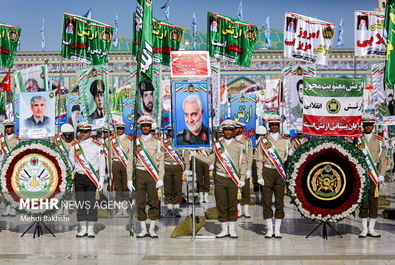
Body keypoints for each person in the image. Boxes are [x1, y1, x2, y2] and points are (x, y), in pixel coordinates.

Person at [196, 120, 248, 238]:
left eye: (230, 129)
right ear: (223, 131)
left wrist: (243, 178)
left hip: (233, 178)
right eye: (226, 129)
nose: (228, 132)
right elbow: (210, 160)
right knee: (221, 203)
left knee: (232, 204)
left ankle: (232, 229)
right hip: (220, 178)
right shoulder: (217, 145)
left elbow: (243, 162)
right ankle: (224, 229)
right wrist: (196, 155)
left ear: (234, 131)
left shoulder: (240, 145)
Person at [127, 115, 164, 238]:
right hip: (139, 173)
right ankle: (143, 229)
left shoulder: (158, 142)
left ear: (150, 127)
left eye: (147, 126)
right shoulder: (135, 141)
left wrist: (160, 178)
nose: (146, 128)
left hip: (152, 174)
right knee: (140, 201)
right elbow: (130, 161)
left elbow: (161, 162)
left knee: (154, 201)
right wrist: (129, 178)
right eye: (143, 126)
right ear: (141, 127)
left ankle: (152, 229)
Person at [69, 122, 106, 238]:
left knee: (91, 203)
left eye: (86, 131)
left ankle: (90, 229)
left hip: (92, 178)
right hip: (79, 177)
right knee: (80, 203)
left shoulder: (97, 146)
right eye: (81, 131)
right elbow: (71, 164)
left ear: (90, 132)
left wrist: (101, 179)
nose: (83, 134)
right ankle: (82, 228)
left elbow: (101, 164)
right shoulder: (74, 147)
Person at [256, 115, 290, 239]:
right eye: (272, 125)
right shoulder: (263, 141)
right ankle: (269, 229)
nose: (274, 127)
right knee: (267, 201)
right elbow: (259, 159)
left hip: (279, 173)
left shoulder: (285, 141)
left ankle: (278, 229)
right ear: (268, 126)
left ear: (279, 126)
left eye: (276, 124)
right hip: (267, 171)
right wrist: (259, 175)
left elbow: (287, 158)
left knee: (280, 202)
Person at [358, 116, 387, 238]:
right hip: (362, 173)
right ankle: (364, 229)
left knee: (374, 200)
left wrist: (382, 174)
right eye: (366, 125)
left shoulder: (379, 140)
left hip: (374, 173)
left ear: (373, 126)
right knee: (363, 200)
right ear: (363, 126)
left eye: (370, 125)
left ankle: (372, 229)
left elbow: (383, 159)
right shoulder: (358, 139)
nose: (368, 127)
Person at [163, 125, 190, 217]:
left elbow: (186, 155)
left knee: (177, 189)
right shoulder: (164, 143)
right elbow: (160, 156)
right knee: (168, 189)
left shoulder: (182, 142)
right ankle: (169, 208)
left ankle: (176, 208)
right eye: (170, 131)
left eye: (173, 131)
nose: (172, 133)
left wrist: (187, 168)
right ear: (168, 132)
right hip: (167, 166)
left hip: (178, 167)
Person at [111, 122, 131, 216]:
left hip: (125, 164)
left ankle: (125, 209)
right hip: (116, 163)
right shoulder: (112, 141)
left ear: (124, 129)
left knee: (125, 187)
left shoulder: (129, 140)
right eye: (118, 128)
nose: (119, 130)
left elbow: (130, 155)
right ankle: (119, 209)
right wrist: (110, 170)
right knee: (118, 187)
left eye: (121, 128)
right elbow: (110, 155)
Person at [234, 121, 253, 218]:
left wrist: (249, 169)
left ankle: (246, 210)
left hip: (244, 168)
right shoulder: (231, 139)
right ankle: (239, 210)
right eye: (234, 128)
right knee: (235, 191)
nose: (235, 130)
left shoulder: (247, 140)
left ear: (241, 129)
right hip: (233, 169)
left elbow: (250, 156)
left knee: (245, 190)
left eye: (237, 128)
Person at [1, 120, 19, 217]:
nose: (8, 129)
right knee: (5, 188)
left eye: (9, 127)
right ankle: (7, 207)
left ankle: (14, 208)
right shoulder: (1, 140)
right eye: (6, 127)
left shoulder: (17, 139)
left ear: (13, 128)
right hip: (3, 166)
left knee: (13, 188)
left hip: (13, 166)